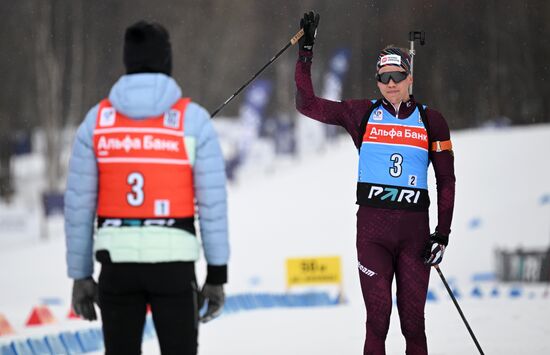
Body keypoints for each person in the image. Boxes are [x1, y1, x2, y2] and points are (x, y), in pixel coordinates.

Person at [64, 20, 229, 355]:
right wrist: (216, 275)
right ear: (167, 60)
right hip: (174, 266)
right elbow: (212, 206)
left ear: (127, 61)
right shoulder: (193, 120)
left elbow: (78, 207)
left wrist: (80, 275)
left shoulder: (97, 121)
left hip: (116, 267)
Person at [295, 12, 455, 355]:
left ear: (410, 77)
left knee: (413, 324)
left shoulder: (432, 121)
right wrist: (306, 49)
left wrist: (442, 233)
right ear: (377, 80)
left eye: (398, 75)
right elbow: (306, 104)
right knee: (377, 320)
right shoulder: (362, 114)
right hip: (372, 234)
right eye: (384, 77)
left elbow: (446, 179)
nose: (391, 83)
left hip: (415, 236)